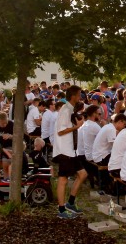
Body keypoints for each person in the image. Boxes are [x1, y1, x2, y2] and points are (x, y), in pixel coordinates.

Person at [53, 85, 87, 219]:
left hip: (71, 151)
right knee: (63, 180)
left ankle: (70, 203)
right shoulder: (65, 110)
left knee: (83, 174)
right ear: (73, 96)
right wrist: (77, 127)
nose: (80, 98)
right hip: (64, 151)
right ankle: (61, 210)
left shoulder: (70, 109)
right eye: (79, 95)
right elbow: (60, 131)